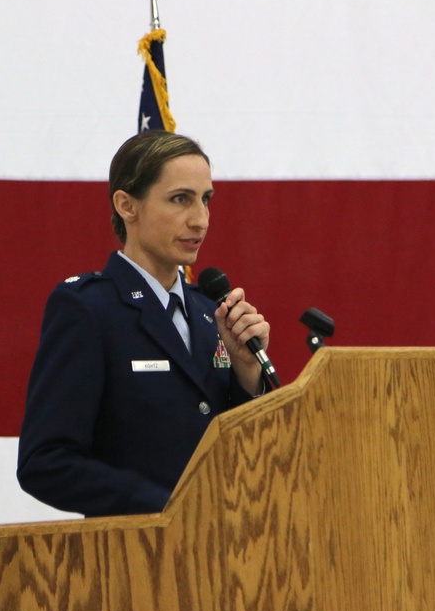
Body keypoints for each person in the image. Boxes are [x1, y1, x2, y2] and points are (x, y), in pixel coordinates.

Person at [17, 130, 270, 517]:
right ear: (127, 205)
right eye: (180, 199)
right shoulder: (89, 309)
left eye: (206, 200)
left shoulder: (208, 314)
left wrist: (247, 374)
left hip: (226, 555)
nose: (200, 220)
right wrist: (164, 507)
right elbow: (45, 462)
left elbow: (243, 448)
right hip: (135, 557)